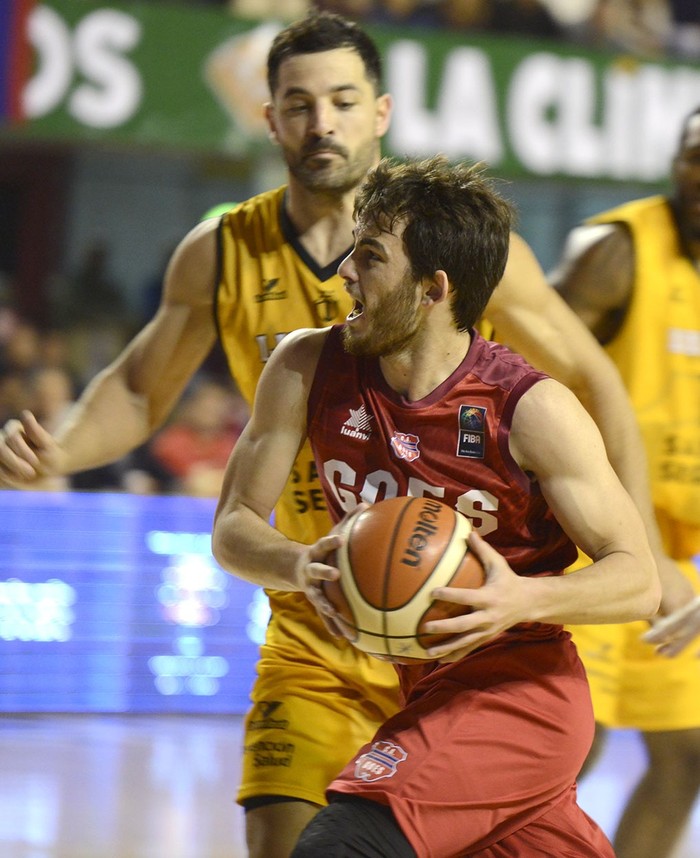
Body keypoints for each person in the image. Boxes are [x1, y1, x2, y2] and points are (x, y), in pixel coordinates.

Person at [0, 11, 689, 857]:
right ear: (271, 118)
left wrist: (633, 554)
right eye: (298, 103)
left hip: (487, 648)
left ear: (381, 112)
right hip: (323, 609)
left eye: (342, 100)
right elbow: (145, 397)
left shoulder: (478, 281)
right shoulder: (253, 290)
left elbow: (593, 391)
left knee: (351, 842)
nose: (321, 121)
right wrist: (61, 448)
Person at [211, 154, 660, 857]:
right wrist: (304, 565)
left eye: (368, 256)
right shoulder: (306, 364)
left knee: (341, 846)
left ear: (433, 288)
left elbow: (638, 580)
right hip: (423, 688)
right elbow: (233, 528)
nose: (343, 274)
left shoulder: (530, 408)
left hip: (519, 694)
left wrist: (520, 599)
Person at [549, 106, 700, 858]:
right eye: (692, 155)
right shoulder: (616, 250)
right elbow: (526, 369)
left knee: (686, 756)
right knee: (573, 739)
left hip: (680, 559)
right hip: (589, 529)